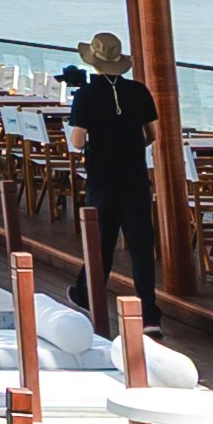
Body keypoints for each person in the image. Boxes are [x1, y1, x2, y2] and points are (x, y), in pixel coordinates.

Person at [61, 29, 164, 317]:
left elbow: (78, 140)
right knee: (141, 246)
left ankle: (87, 296)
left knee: (100, 243)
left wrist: (102, 139)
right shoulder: (139, 91)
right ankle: (149, 314)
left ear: (94, 62)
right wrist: (129, 142)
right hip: (135, 176)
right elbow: (152, 134)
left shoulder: (86, 94)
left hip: (103, 177)